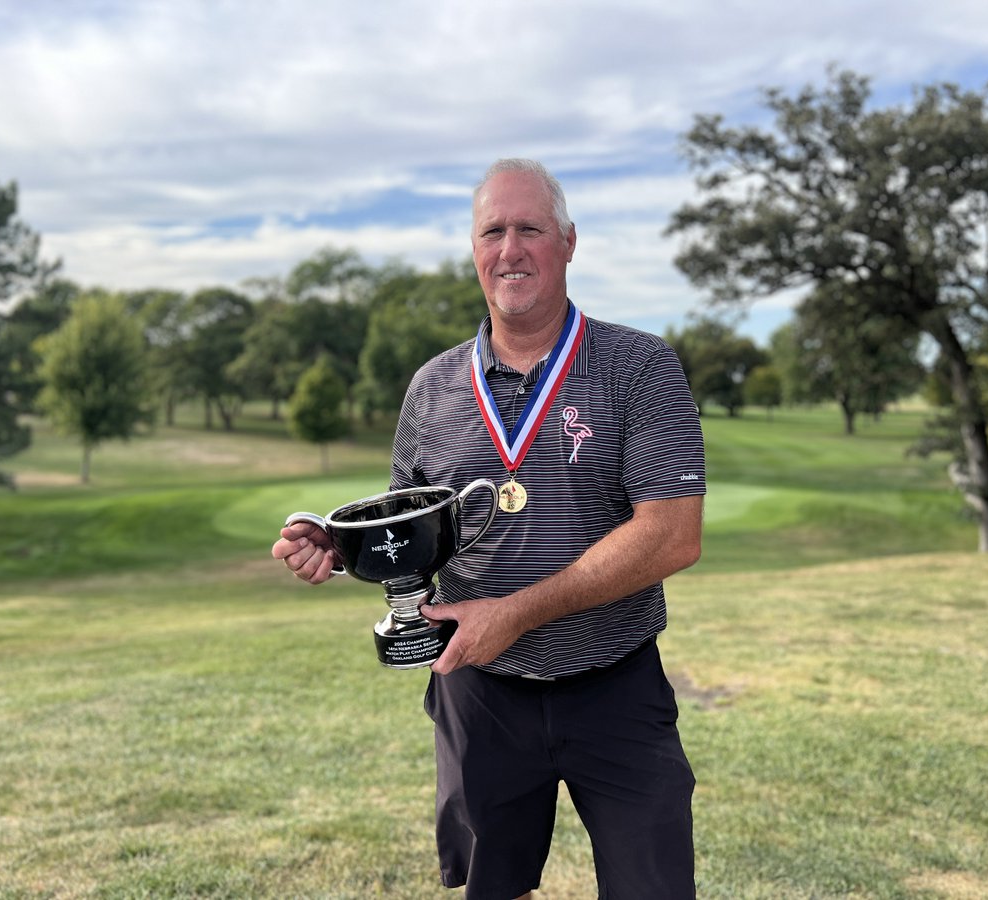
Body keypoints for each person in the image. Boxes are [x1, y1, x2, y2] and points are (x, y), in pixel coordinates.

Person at [273, 158, 706, 899]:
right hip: (480, 695)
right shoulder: (432, 387)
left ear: (569, 242)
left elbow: (673, 535)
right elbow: (410, 529)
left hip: (616, 683)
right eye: (493, 231)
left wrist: (515, 614)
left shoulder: (639, 367)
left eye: (530, 228)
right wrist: (338, 547)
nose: (511, 249)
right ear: (474, 251)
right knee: (489, 888)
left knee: (653, 887)